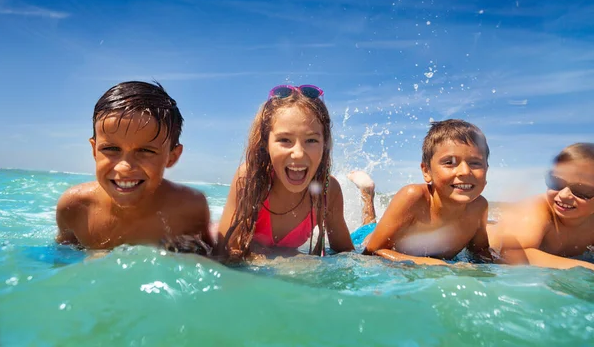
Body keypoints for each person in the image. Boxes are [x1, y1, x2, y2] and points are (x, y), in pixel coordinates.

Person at [55, 81, 212, 255]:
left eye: (145, 151)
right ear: (94, 150)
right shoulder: (74, 206)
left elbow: (206, 258)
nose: (124, 167)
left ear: (172, 157)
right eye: (111, 149)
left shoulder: (190, 207)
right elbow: (62, 258)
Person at [217, 85, 354, 261]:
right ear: (266, 143)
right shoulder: (249, 179)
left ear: (324, 144)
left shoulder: (328, 190)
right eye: (284, 140)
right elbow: (225, 250)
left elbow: (346, 255)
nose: (298, 153)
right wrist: (281, 263)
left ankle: (367, 195)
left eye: (311, 140)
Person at [348, 119, 491, 265]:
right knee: (368, 225)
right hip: (367, 238)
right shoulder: (413, 196)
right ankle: (367, 192)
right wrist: (432, 264)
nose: (465, 172)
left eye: (475, 163)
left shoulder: (479, 207)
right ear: (426, 171)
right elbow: (371, 251)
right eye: (449, 162)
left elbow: (480, 251)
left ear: (487, 170)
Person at [488, 143, 594, 270]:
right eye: (556, 182)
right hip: (481, 247)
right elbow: (511, 254)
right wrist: (588, 268)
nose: (564, 195)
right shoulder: (537, 209)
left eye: (581, 189)